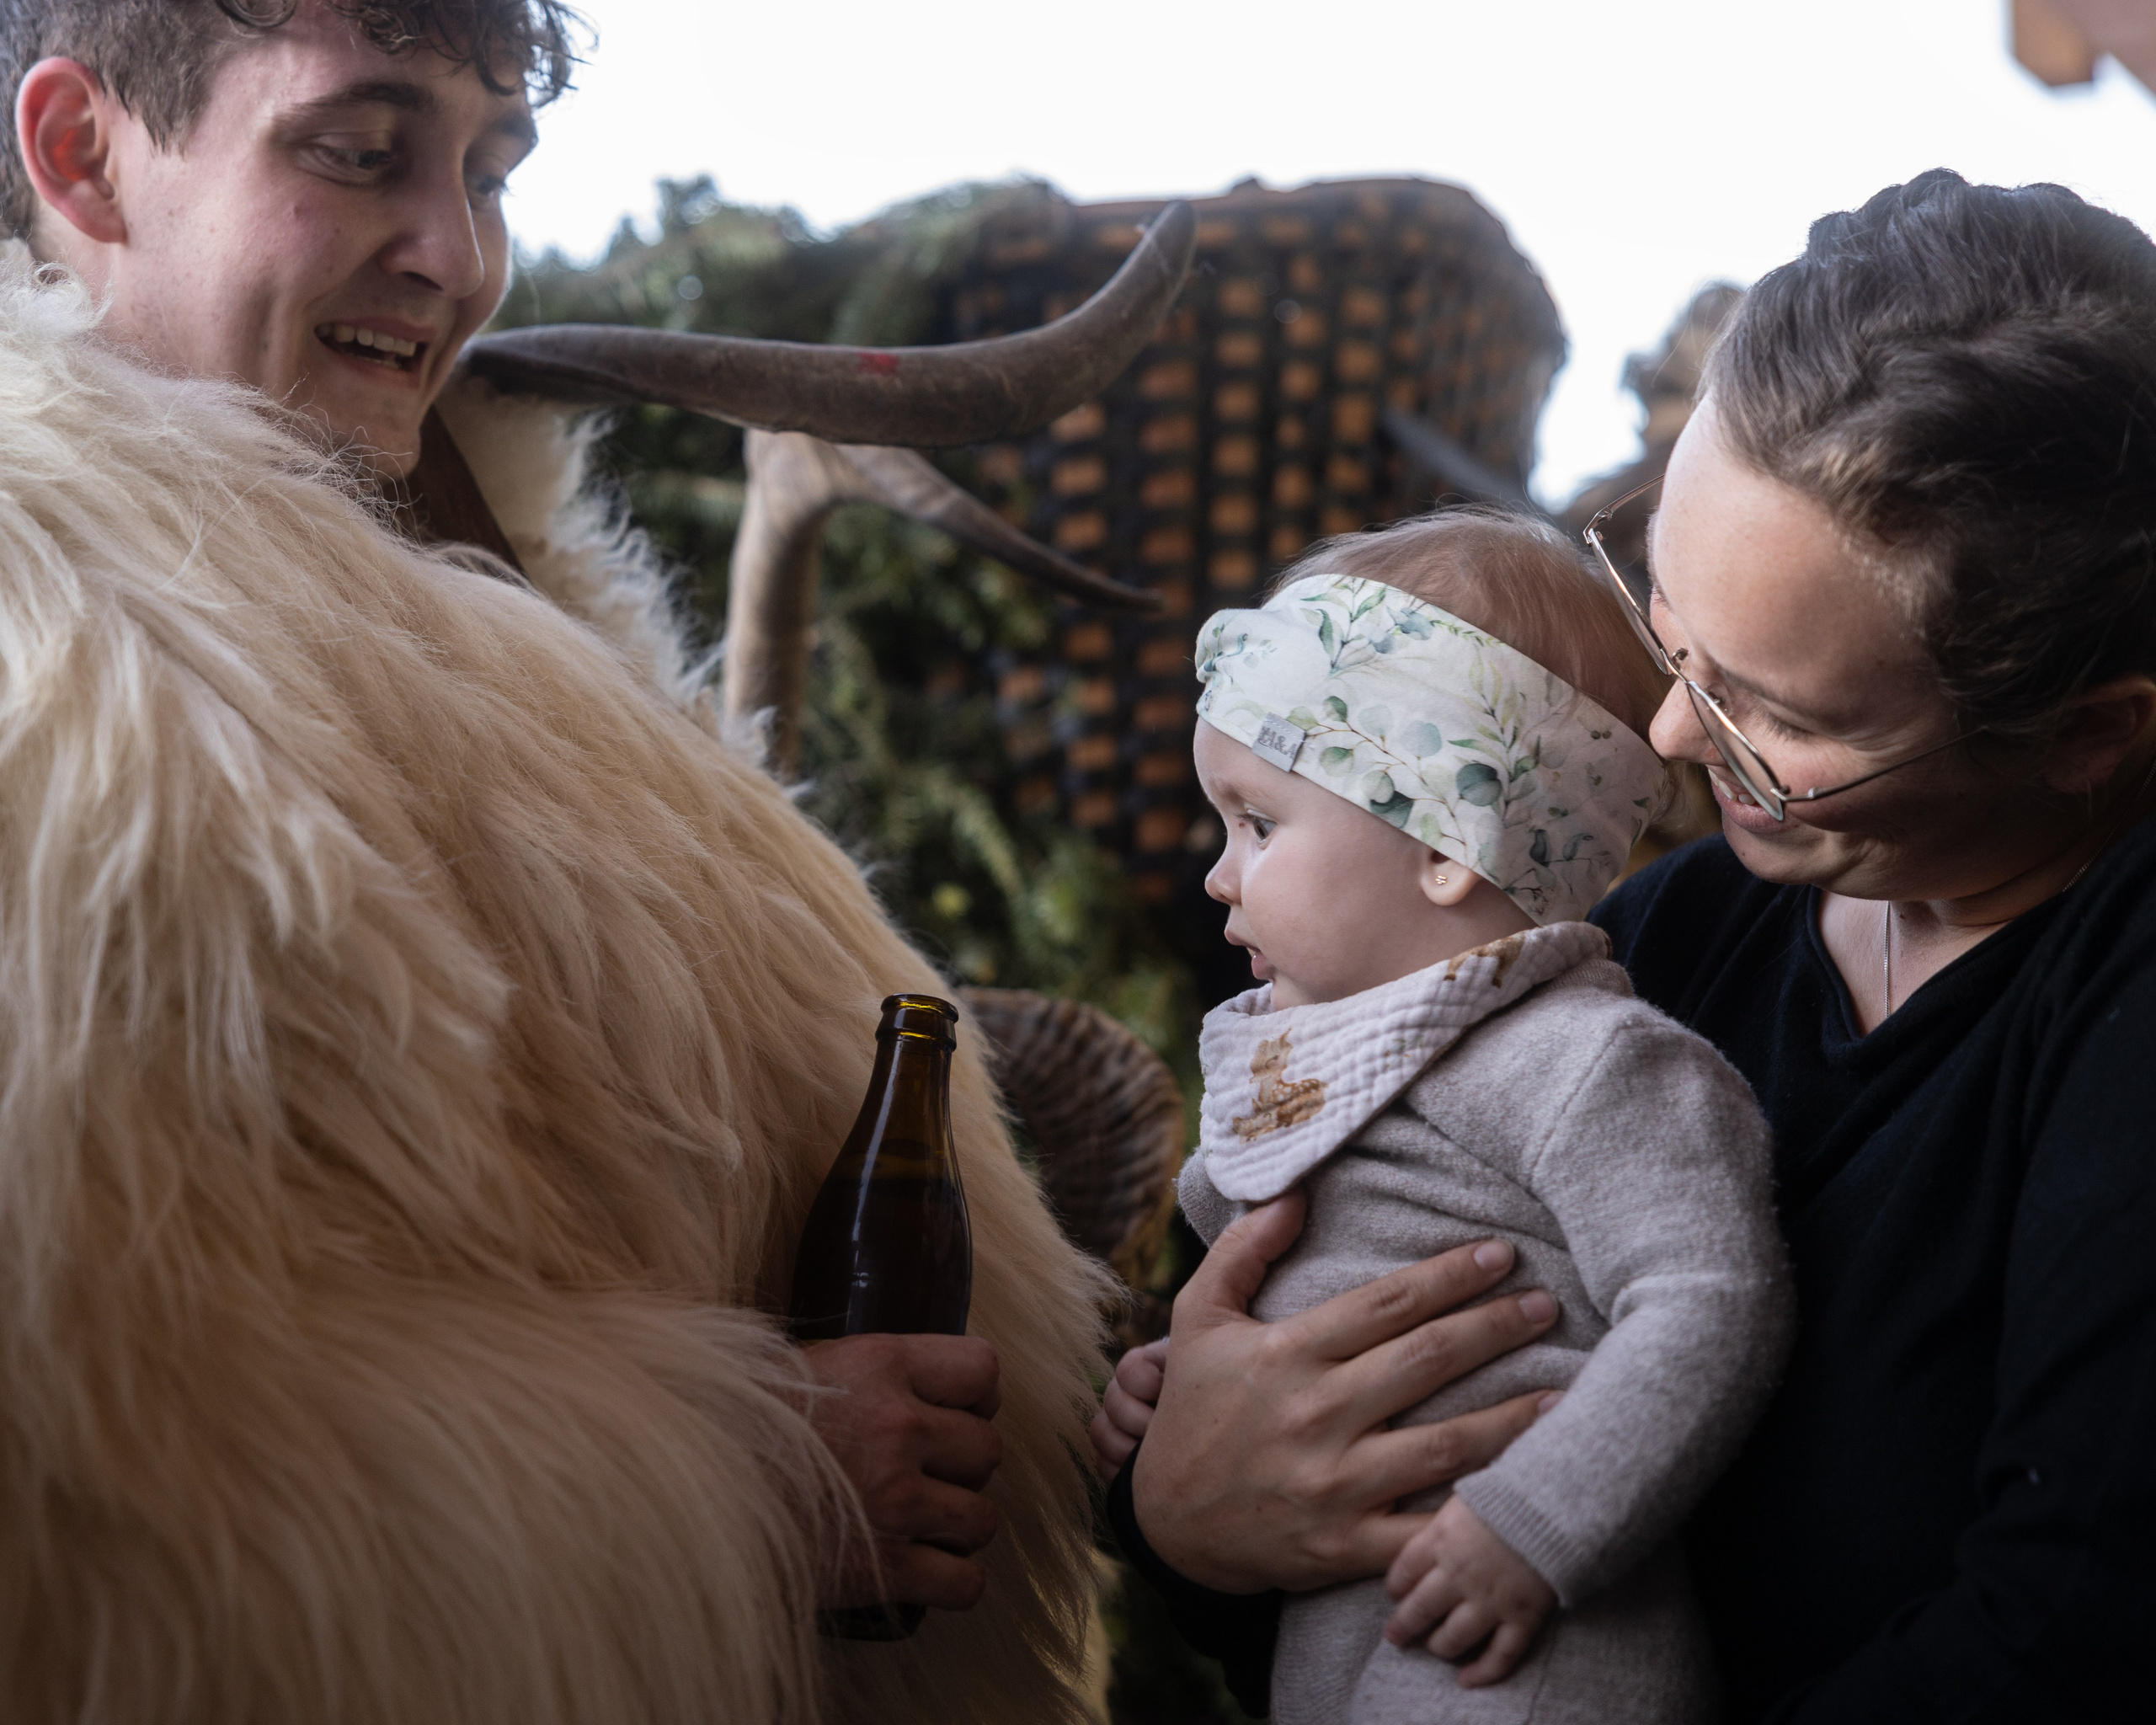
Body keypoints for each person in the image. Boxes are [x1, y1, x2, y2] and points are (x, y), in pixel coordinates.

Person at [0, 4, 1110, 1720]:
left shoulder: (481, 634)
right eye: (357, 152)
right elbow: (95, 1492)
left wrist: (1173, 1448)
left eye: (488, 169)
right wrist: (758, 1490)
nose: (456, 255)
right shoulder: (60, 677)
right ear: (81, 154)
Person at [1099, 170, 2156, 1722]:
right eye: (1664, 623)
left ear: (2084, 736)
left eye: (1774, 713)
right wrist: (1185, 1514)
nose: (1667, 732)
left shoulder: (2112, 1020)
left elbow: (2063, 1643)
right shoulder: (1673, 936)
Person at [1100, 514, 1791, 1723]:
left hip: (1526, 1636)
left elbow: (1715, 1295)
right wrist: (1182, 1392)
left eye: (1258, 823)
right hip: (1340, 1621)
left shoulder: (1584, 1058)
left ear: (1445, 843)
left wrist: (1535, 1527)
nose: (1219, 872)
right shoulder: (1337, 1044)